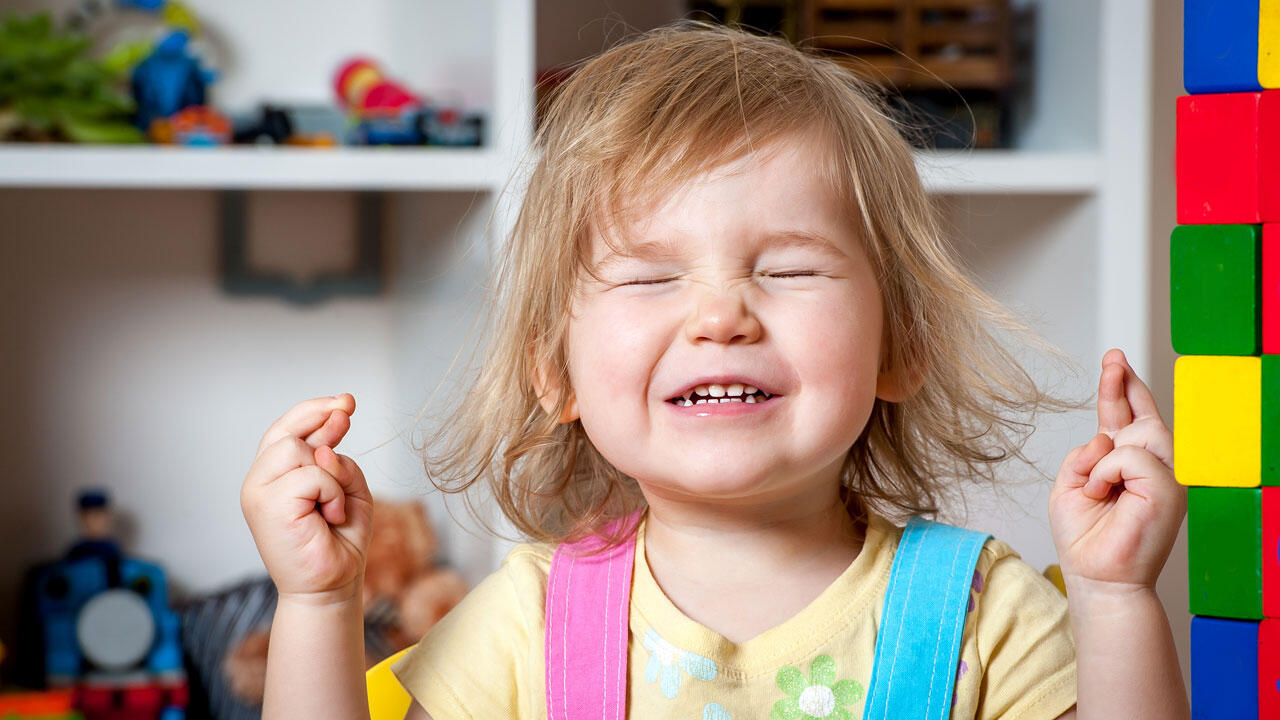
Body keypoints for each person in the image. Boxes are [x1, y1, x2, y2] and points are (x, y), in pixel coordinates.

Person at [240, 22, 1188, 720]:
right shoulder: (529, 625)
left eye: (785, 270)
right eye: (651, 277)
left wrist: (1115, 599)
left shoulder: (983, 613)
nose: (721, 314)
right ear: (554, 373)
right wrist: (320, 605)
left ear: (899, 344)